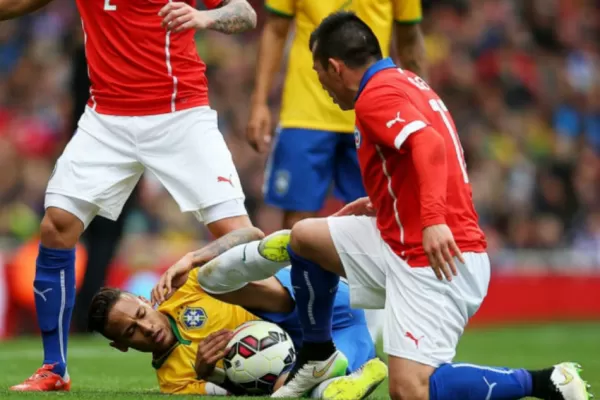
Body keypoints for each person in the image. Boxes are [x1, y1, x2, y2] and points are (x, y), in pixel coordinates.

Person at [268, 11, 591, 400]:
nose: (322, 86)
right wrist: (388, 200)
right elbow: (424, 155)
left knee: (410, 390)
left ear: (336, 68)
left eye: (319, 74)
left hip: (434, 255)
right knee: (305, 238)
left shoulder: (375, 97)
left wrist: (434, 220)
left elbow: (429, 145)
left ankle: (547, 382)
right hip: (401, 239)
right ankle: (317, 353)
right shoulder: (405, 81)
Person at [2, 0, 261, 392]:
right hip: (106, 118)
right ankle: (54, 368)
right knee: (56, 227)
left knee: (239, 239)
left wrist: (204, 16)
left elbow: (245, 12)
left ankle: (298, 341)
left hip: (181, 114)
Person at [247, 0, 425, 230]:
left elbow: (409, 38)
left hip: (371, 113)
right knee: (298, 222)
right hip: (305, 112)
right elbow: (275, 29)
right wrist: (259, 102)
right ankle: (298, 267)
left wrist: (419, 104)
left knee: (372, 219)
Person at [87, 266, 387, 398]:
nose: (147, 328)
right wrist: (210, 374)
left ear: (144, 301)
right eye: (131, 332)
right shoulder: (174, 381)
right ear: (121, 346)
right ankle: (349, 376)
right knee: (282, 387)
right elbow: (239, 391)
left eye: (141, 315)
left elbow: (249, 238)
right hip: (320, 343)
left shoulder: (185, 286)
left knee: (228, 280)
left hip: (309, 302)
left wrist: (194, 257)